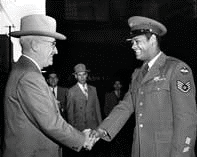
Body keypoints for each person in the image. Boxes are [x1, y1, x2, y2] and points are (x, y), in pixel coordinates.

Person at [90, 16, 197, 157]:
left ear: (152, 40)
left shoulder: (176, 69)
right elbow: (126, 106)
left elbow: (186, 120)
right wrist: (101, 130)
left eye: (137, 41)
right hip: (140, 150)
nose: (133, 46)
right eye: (132, 42)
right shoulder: (137, 74)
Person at [3, 14, 94, 157]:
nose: (56, 50)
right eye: (52, 44)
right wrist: (83, 139)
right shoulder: (29, 76)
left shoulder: (23, 70)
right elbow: (51, 123)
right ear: (35, 45)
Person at [65, 63, 102, 157]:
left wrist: (100, 127)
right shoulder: (71, 91)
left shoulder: (93, 89)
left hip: (93, 128)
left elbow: (97, 110)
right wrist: (73, 132)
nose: (82, 77)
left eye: (84, 74)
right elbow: (70, 114)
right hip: (80, 129)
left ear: (87, 75)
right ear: (75, 76)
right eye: (79, 75)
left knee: (94, 153)